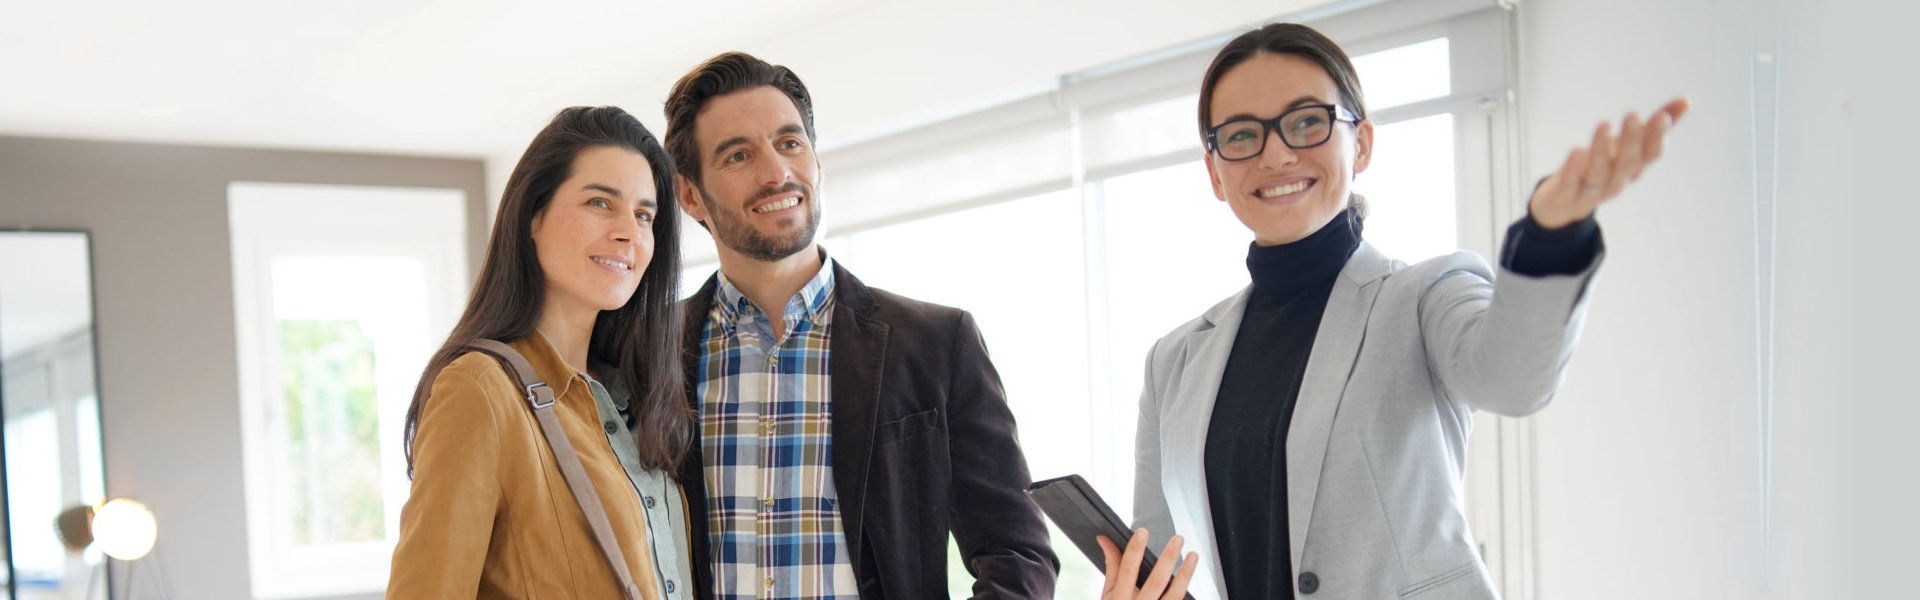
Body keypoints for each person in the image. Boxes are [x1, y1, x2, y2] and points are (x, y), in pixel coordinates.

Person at [1131, 23, 1688, 599]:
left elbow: (1514, 380)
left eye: (1306, 122)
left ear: (1362, 143)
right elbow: (1159, 561)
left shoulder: (1426, 295)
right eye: (1242, 135)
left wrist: (1550, 237)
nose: (1277, 152)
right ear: (1216, 172)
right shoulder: (1173, 363)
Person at [661, 52, 1058, 599]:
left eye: (790, 143)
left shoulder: (937, 342)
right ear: (689, 195)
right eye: (737, 155)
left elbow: (1017, 553)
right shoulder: (646, 354)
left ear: (817, 162)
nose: (776, 171)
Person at [388, 106, 697, 599]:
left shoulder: (635, 397)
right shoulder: (480, 390)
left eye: (644, 215)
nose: (629, 232)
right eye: (600, 202)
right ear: (534, 214)